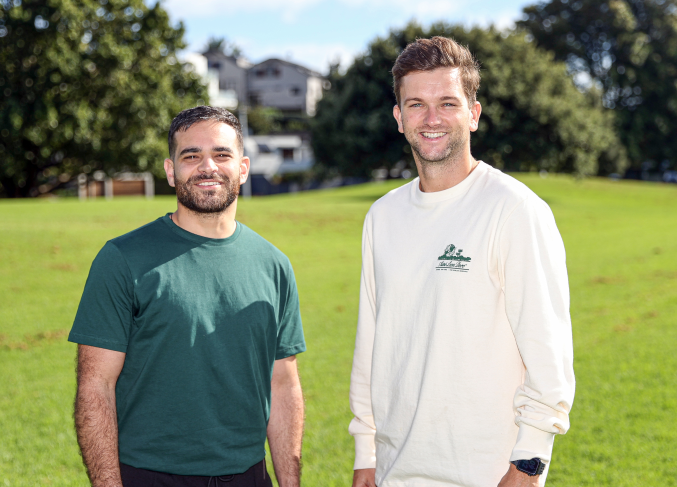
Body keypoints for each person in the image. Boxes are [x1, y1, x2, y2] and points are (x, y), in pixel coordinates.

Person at [348, 37, 575, 487]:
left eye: (447, 103)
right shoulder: (383, 216)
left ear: (473, 114)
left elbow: (548, 354)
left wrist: (529, 463)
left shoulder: (515, 210)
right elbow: (371, 346)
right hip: (395, 472)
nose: (431, 119)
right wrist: (365, 453)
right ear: (399, 118)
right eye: (416, 104)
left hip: (488, 473)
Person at [70, 106, 306, 487]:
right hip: (148, 475)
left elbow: (283, 384)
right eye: (191, 155)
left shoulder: (274, 264)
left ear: (243, 168)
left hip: (248, 475)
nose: (207, 166)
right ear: (170, 170)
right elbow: (95, 386)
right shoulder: (122, 259)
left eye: (221, 154)